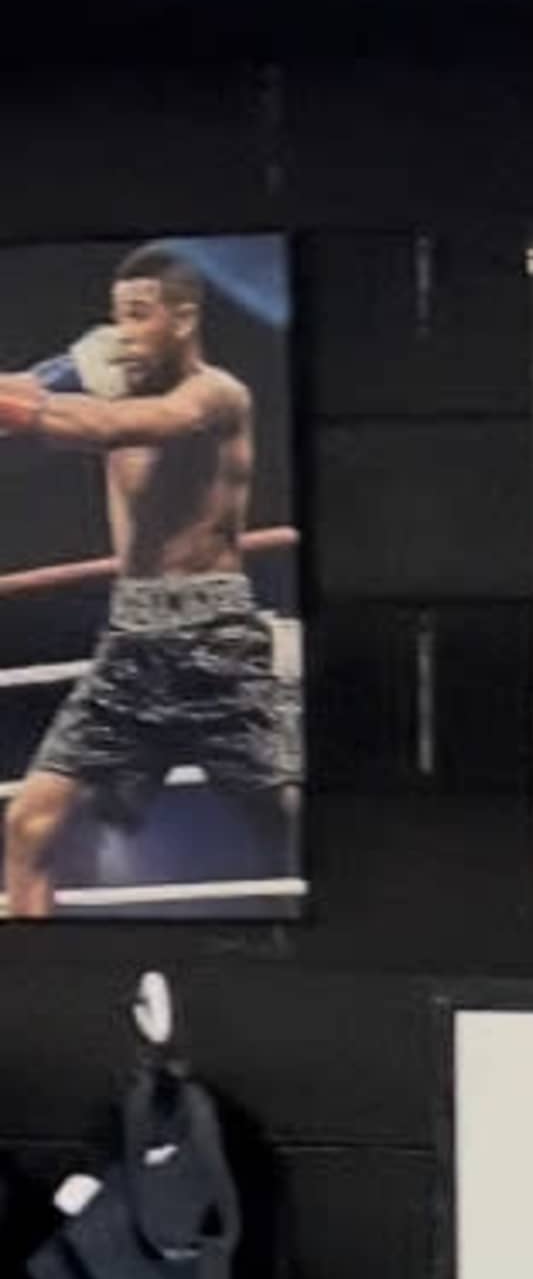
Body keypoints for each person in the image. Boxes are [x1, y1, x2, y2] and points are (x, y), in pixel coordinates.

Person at [0, 248, 294, 923]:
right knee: (29, 824)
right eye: (116, 316)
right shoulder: (104, 378)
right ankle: (44, 982)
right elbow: (22, 399)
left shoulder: (216, 396)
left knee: (284, 819)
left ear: (183, 319)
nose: (122, 333)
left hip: (217, 644)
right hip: (129, 646)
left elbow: (114, 428)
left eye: (139, 315)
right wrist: (49, 380)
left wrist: (41, 397)